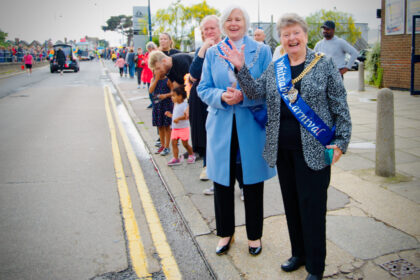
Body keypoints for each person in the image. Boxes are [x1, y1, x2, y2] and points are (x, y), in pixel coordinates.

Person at [222, 13, 352, 280]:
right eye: (286, 34)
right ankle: (298, 254)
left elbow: (340, 106)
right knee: (292, 205)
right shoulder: (277, 66)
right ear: (280, 39)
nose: (291, 38)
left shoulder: (324, 64)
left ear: (305, 35)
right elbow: (256, 91)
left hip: (316, 150)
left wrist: (340, 143)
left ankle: (316, 266)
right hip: (283, 150)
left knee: (312, 208)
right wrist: (241, 67)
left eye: (296, 33)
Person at [197, 5, 276, 257]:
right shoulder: (213, 53)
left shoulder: (262, 51)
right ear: (223, 25)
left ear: (246, 23)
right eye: (228, 20)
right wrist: (222, 96)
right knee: (222, 182)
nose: (233, 23)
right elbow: (203, 88)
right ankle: (225, 234)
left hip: (250, 128)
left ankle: (254, 236)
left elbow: (268, 90)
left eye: (238, 19)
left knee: (251, 184)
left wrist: (244, 96)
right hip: (221, 127)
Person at [189, 15, 222, 183]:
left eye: (212, 28)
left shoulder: (226, 47)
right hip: (202, 99)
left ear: (220, 29)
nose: (209, 32)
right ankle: (207, 166)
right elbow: (194, 74)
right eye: (205, 29)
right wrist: (203, 49)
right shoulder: (202, 49)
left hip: (222, 97)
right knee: (205, 134)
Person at [164, 86, 195, 165]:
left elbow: (186, 116)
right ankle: (176, 158)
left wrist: (178, 119)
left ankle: (191, 155)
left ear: (180, 96)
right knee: (174, 143)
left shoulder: (185, 105)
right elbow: (175, 116)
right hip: (175, 128)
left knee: (185, 144)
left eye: (174, 96)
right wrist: (170, 115)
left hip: (183, 128)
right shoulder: (176, 104)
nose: (172, 98)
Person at [149, 68, 173, 156]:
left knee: (166, 126)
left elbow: (173, 92)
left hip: (166, 105)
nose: (158, 71)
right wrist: (156, 79)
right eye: (156, 70)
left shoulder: (168, 80)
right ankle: (162, 145)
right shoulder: (153, 80)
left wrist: (166, 95)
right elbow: (151, 90)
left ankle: (167, 147)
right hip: (157, 105)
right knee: (160, 126)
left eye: (160, 69)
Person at [142, 42, 158, 108]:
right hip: (148, 75)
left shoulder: (156, 53)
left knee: (153, 91)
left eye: (149, 49)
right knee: (150, 91)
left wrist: (145, 62)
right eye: (148, 49)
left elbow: (151, 62)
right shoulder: (147, 54)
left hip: (153, 75)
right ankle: (152, 102)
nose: (148, 50)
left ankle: (155, 103)